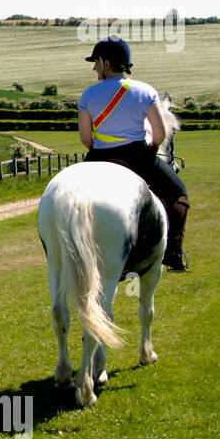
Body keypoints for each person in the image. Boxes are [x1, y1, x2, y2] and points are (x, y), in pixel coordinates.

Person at [78, 36, 191, 271]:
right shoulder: (146, 91)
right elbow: (159, 134)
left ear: (107, 63)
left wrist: (101, 150)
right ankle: (173, 253)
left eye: (96, 62)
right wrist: (151, 148)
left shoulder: (88, 95)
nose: (94, 67)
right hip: (138, 156)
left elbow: (86, 140)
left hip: (99, 157)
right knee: (178, 193)